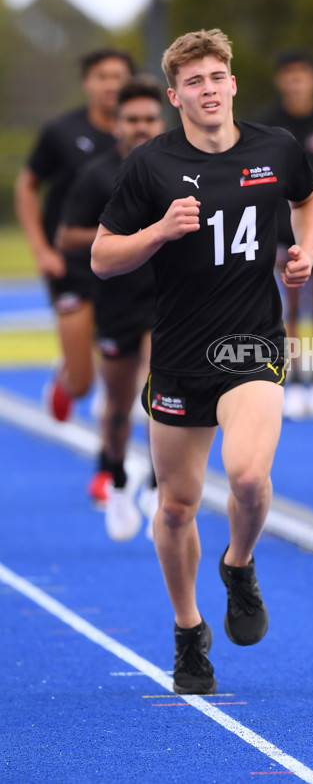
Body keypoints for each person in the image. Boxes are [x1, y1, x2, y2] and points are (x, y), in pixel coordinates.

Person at [91, 29, 313, 694]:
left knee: (248, 480)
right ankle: (189, 630)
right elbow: (103, 258)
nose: (209, 89)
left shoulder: (274, 148)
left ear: (232, 82)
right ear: (175, 96)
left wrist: (304, 249)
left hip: (253, 345)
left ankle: (240, 564)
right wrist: (159, 231)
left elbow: (309, 198)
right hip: (180, 355)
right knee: (176, 508)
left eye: (217, 76)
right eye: (194, 82)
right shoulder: (150, 165)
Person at [57, 78, 165, 531]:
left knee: (159, 395)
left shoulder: (179, 167)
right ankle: (116, 476)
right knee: (119, 406)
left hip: (166, 300)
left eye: (149, 119)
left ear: (162, 121)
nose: (141, 126)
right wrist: (122, 238)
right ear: (117, 125)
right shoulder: (98, 174)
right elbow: (67, 237)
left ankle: (161, 486)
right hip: (117, 298)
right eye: (132, 119)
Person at [15, 47, 136, 421]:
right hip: (72, 265)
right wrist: (41, 249)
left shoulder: (143, 133)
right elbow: (26, 185)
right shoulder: (62, 132)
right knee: (82, 383)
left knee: (134, 361)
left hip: (125, 265)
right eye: (102, 76)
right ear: (87, 83)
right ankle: (67, 375)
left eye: (119, 76)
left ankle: (114, 456)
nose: (111, 85)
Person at [258, 50, 313, 419]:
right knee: (288, 308)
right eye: (289, 75)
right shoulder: (268, 126)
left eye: (302, 74)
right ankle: (291, 380)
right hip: (282, 229)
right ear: (280, 80)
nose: (296, 82)